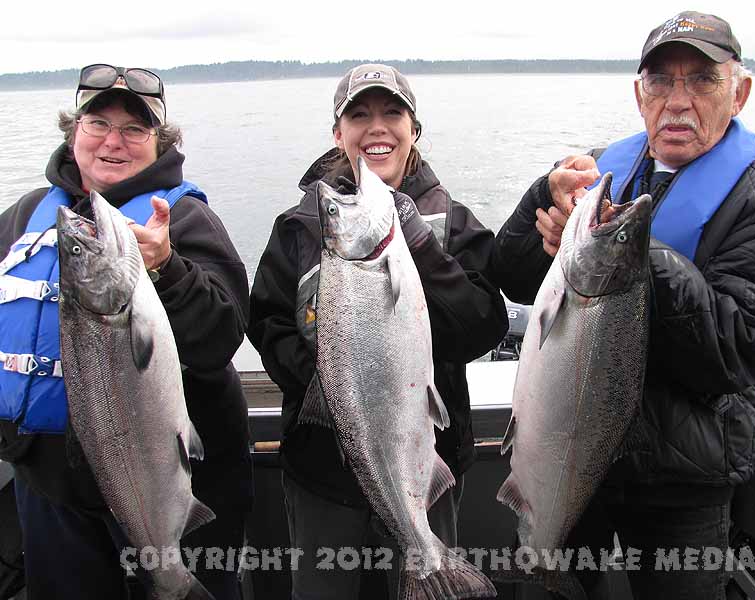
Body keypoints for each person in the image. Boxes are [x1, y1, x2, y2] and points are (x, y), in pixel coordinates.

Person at [491, 11, 755, 600]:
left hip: (683, 481)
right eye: (661, 81)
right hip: (568, 451)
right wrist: (543, 199)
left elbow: (733, 353)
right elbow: (508, 275)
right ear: (639, 94)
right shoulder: (599, 176)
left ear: (740, 93)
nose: (677, 101)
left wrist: (628, 255)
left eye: (702, 80)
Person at [247, 63, 508, 598]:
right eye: (358, 115)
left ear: (415, 128)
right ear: (337, 133)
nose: (377, 128)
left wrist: (420, 244)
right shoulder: (299, 227)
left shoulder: (451, 223)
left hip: (425, 461)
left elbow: (484, 325)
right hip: (321, 475)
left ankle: (426, 563)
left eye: (393, 112)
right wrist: (332, 383)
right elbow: (267, 322)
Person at [0, 64, 253, 599]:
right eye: (98, 124)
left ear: (159, 142)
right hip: (50, 485)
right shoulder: (25, 214)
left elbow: (221, 336)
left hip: (169, 484)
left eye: (134, 129)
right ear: (74, 132)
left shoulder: (183, 218)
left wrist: (167, 268)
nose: (114, 141)